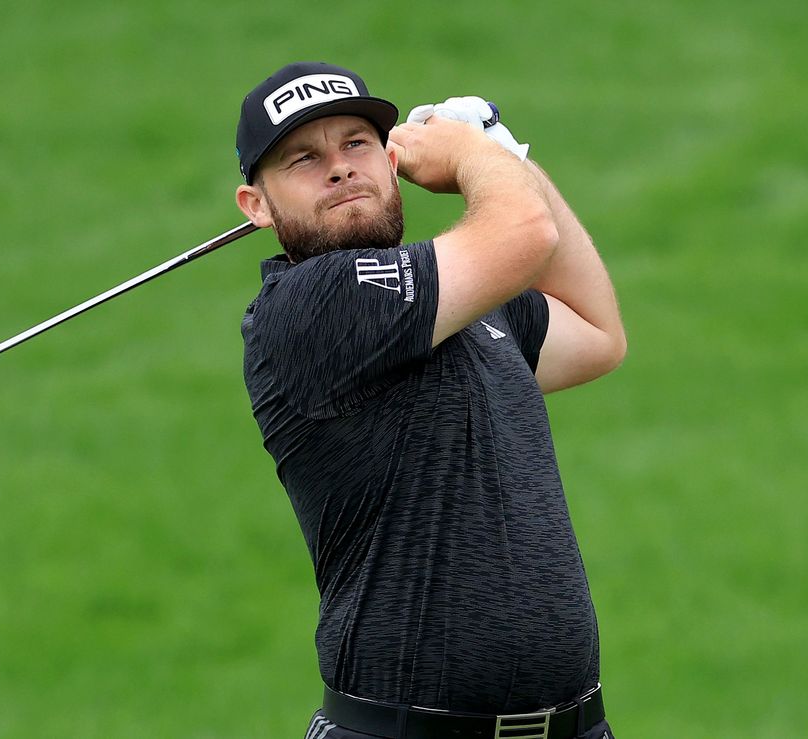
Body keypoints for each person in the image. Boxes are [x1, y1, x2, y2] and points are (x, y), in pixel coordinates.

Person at [234, 61, 626, 739]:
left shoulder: (458, 302)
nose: (339, 168)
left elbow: (596, 334)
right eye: (304, 157)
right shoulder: (308, 307)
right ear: (257, 205)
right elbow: (525, 235)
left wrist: (508, 159)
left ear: (389, 160)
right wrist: (475, 154)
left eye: (357, 144)